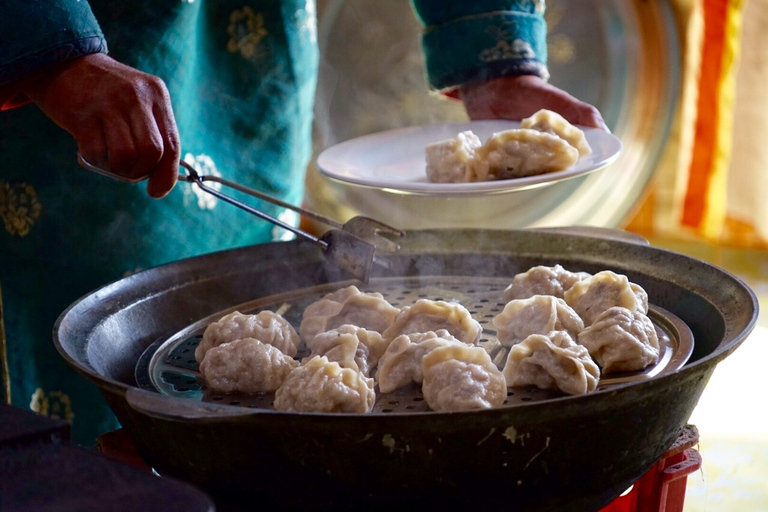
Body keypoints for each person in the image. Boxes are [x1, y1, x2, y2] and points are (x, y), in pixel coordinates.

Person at [0, 0, 605, 446]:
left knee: (251, 271)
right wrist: (54, 52)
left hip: (259, 38)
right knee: (104, 328)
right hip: (89, 62)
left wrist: (492, 52)